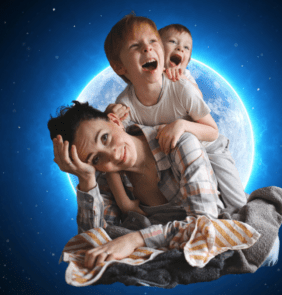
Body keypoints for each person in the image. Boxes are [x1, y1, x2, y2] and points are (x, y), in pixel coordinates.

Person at [48, 101, 261, 270]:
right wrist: (86, 180)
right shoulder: (107, 176)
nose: (111, 154)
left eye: (105, 137)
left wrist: (136, 239)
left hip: (222, 216)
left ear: (114, 120)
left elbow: (203, 226)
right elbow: (95, 244)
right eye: (95, 159)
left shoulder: (181, 143)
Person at [103, 15, 247, 218]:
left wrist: (182, 125)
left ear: (161, 51)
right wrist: (124, 202)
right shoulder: (125, 105)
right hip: (173, 161)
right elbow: (112, 155)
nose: (147, 48)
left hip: (210, 148)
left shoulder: (181, 88)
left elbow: (213, 132)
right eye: (135, 46)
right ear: (119, 67)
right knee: (187, 206)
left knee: (238, 205)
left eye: (153, 41)